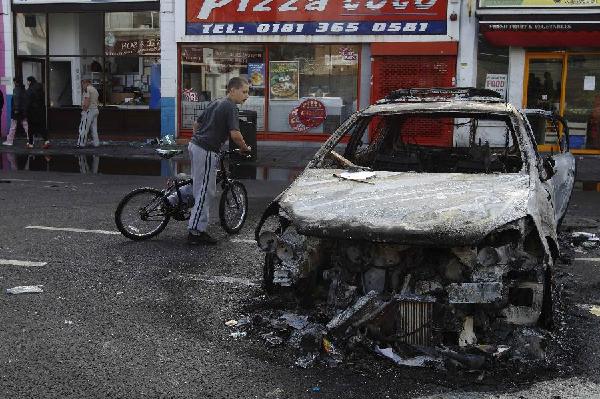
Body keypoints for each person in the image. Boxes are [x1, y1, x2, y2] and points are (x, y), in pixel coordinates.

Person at [187, 77, 251, 245]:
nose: (247, 95)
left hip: (195, 145)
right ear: (232, 90)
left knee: (196, 184)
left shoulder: (216, 102)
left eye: (248, 92)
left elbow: (196, 123)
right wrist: (245, 148)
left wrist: (199, 138)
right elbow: (235, 135)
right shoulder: (230, 107)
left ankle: (171, 200)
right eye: (244, 91)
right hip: (206, 150)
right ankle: (195, 231)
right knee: (205, 190)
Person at [2, 78, 30, 147]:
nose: (14, 83)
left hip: (16, 112)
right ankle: (30, 140)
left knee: (13, 126)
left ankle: (9, 141)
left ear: (16, 82)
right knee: (26, 126)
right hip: (23, 111)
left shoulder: (16, 89)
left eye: (14, 82)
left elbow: (16, 99)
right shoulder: (24, 90)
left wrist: (16, 109)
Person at [26, 76, 50, 149]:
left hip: (32, 112)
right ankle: (46, 141)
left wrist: (26, 111)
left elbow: (28, 102)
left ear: (29, 81)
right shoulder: (40, 88)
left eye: (27, 81)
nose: (27, 83)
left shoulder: (30, 90)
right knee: (41, 127)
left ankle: (30, 144)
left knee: (30, 128)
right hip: (41, 111)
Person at [77, 77, 100, 148]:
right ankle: (96, 143)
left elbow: (87, 100)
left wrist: (84, 110)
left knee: (83, 128)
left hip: (89, 111)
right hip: (95, 110)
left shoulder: (87, 89)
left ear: (86, 82)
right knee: (94, 128)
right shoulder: (95, 89)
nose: (82, 85)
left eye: (82, 83)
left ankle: (81, 144)